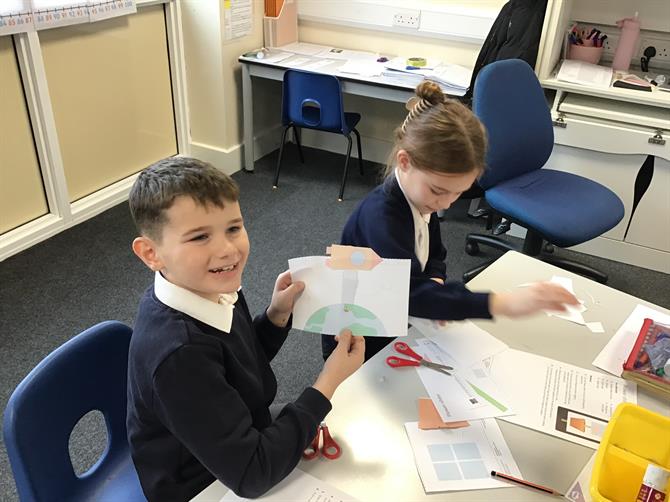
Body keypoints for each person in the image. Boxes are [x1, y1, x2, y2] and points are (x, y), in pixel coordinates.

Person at [126, 157, 365, 501]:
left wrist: (275, 316)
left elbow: (237, 364)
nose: (227, 250)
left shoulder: (212, 288)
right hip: (204, 484)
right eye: (200, 237)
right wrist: (327, 382)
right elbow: (252, 474)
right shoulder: (179, 354)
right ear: (151, 253)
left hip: (240, 439)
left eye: (234, 228)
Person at [322, 81, 578, 361]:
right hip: (358, 337)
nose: (445, 204)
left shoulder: (420, 197)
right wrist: (500, 303)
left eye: (458, 193)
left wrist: (435, 279)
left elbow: (435, 254)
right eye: (439, 191)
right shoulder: (382, 219)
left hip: (395, 316)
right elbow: (410, 294)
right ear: (405, 162)